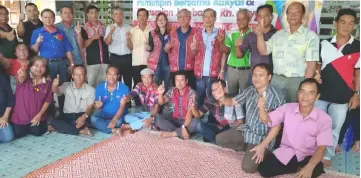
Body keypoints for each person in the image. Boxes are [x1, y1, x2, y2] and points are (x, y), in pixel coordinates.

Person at [253, 78, 332, 178]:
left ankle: (307, 167)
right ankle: (295, 167)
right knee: (263, 170)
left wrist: (310, 166)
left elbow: (322, 148)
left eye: (311, 93)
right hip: (287, 151)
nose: (305, 96)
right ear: (298, 93)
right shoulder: (287, 108)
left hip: (308, 155)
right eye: (302, 91)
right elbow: (266, 119)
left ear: (317, 96)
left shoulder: (325, 119)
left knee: (313, 169)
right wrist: (261, 108)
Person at [216, 63, 285, 173]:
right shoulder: (250, 90)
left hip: (262, 138)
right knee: (219, 139)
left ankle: (265, 150)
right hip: (247, 130)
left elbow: (276, 127)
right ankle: (248, 147)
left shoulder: (277, 97)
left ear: (269, 77)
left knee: (248, 168)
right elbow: (232, 102)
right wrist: (221, 97)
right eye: (254, 75)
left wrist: (263, 146)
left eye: (261, 75)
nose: (256, 78)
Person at [314, 8, 360, 167]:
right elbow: (318, 67)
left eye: (351, 23)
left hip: (343, 96)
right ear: (336, 23)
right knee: (317, 125)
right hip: (321, 94)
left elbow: (358, 73)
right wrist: (316, 77)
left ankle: (327, 154)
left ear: (354, 26)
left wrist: (356, 94)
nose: (347, 26)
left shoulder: (358, 47)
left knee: (335, 127)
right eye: (343, 22)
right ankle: (313, 152)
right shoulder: (323, 43)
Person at [256, 2, 319, 102]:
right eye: (290, 12)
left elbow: (311, 65)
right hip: (276, 79)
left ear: (302, 15)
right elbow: (263, 51)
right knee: (274, 110)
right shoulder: (279, 34)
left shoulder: (310, 36)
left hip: (297, 82)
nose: (293, 15)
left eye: (296, 12)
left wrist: (305, 86)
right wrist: (259, 35)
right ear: (287, 14)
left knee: (293, 112)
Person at [10, 56, 53, 138]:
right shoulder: (25, 77)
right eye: (36, 65)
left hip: (37, 117)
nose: (39, 69)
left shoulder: (47, 82)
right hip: (21, 118)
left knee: (38, 132)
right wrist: (21, 74)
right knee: (19, 134)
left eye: (42, 66)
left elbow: (48, 100)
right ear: (30, 67)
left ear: (46, 68)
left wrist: (39, 115)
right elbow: (21, 78)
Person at [191, 79, 244, 144]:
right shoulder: (211, 100)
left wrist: (231, 132)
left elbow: (240, 122)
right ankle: (218, 141)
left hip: (232, 129)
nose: (214, 92)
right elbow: (198, 115)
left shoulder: (234, 100)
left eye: (217, 89)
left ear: (224, 89)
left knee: (208, 137)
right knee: (199, 125)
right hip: (220, 127)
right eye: (213, 90)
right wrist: (192, 106)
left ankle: (217, 139)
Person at [236, 4, 277, 85]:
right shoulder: (251, 36)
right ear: (257, 18)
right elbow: (239, 55)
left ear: (272, 17)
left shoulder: (278, 35)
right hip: (254, 77)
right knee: (251, 97)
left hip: (271, 78)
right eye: (260, 16)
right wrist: (237, 46)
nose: (263, 19)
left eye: (266, 16)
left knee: (269, 97)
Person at [193, 8, 226, 106]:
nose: (208, 19)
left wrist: (222, 70)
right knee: (199, 99)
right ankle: (198, 119)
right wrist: (193, 49)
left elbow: (224, 53)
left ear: (215, 18)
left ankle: (212, 120)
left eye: (211, 16)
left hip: (214, 73)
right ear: (203, 19)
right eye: (206, 16)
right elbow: (194, 54)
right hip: (199, 74)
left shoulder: (221, 34)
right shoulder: (197, 34)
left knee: (213, 100)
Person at [50, 65, 94, 136]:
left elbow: (89, 107)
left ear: (85, 76)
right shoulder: (66, 85)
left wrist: (84, 117)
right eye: (76, 74)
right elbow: (56, 90)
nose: (79, 77)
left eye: (81, 74)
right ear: (72, 76)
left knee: (81, 122)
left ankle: (59, 128)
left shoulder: (91, 90)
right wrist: (54, 85)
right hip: (67, 116)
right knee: (53, 122)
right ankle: (81, 131)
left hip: (81, 115)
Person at [155, 70, 201, 139]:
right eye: (177, 80)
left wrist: (184, 126)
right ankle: (181, 132)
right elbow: (161, 102)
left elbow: (190, 113)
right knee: (158, 117)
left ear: (187, 81)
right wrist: (160, 94)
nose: (179, 83)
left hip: (186, 121)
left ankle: (173, 133)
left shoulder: (192, 93)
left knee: (197, 122)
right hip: (174, 120)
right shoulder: (172, 90)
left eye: (182, 80)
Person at [164, 9, 197, 90]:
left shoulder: (196, 33)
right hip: (175, 70)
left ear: (189, 18)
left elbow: (199, 52)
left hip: (190, 70)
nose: (182, 19)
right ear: (177, 19)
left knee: (190, 95)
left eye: (185, 16)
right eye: (180, 17)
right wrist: (166, 48)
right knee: (174, 95)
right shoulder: (171, 32)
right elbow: (166, 50)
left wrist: (195, 49)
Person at [90, 66, 129, 134]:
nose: (111, 77)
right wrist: (97, 106)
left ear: (118, 76)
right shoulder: (100, 87)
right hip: (103, 113)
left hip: (117, 114)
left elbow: (122, 107)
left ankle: (101, 125)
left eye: (114, 74)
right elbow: (96, 106)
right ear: (106, 75)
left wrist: (114, 119)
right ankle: (114, 130)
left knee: (118, 122)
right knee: (93, 118)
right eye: (109, 74)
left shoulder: (124, 88)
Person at [121, 68, 159, 135]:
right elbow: (132, 94)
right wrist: (126, 98)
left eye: (149, 78)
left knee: (153, 120)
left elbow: (156, 107)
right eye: (144, 78)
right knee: (126, 117)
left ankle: (129, 126)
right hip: (144, 113)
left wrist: (151, 117)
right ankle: (140, 125)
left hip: (154, 114)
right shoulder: (139, 85)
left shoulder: (156, 89)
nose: (146, 80)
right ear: (141, 78)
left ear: (153, 78)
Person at [223, 9, 251, 96]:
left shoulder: (253, 34)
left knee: (245, 96)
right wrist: (220, 42)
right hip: (231, 70)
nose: (241, 22)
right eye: (238, 19)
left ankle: (243, 110)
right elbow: (226, 51)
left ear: (249, 19)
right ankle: (232, 110)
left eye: (244, 19)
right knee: (231, 96)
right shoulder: (231, 34)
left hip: (246, 71)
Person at [80, 5, 109, 87]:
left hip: (104, 60)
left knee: (102, 84)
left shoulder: (103, 26)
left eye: (96, 12)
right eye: (91, 13)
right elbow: (83, 45)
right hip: (92, 61)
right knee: (91, 84)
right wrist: (93, 38)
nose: (94, 15)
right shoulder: (84, 28)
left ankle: (100, 100)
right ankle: (91, 100)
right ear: (87, 14)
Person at [105, 6, 132, 91]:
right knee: (114, 81)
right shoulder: (109, 27)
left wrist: (128, 38)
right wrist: (111, 32)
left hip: (127, 58)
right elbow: (107, 42)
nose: (118, 16)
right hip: (115, 58)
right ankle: (116, 101)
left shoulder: (129, 28)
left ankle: (127, 102)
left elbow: (131, 46)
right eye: (116, 14)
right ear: (112, 16)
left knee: (128, 80)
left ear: (123, 15)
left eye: (120, 14)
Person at [147, 12, 171, 91]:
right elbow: (150, 47)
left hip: (168, 64)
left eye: (163, 19)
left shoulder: (171, 33)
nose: (161, 21)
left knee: (169, 85)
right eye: (159, 20)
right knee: (156, 85)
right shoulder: (152, 33)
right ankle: (156, 102)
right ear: (156, 22)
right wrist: (148, 47)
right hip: (155, 64)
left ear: (166, 21)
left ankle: (168, 102)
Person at [127, 8, 151, 88]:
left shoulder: (152, 30)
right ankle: (137, 101)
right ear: (137, 17)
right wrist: (127, 39)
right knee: (137, 86)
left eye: (144, 15)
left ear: (147, 17)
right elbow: (130, 47)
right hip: (136, 63)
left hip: (148, 63)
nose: (142, 17)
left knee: (148, 86)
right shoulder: (132, 30)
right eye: (140, 15)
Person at [0, 70, 14, 143]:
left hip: (2, 116)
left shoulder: (2, 77)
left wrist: (5, 116)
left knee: (8, 137)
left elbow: (10, 99)